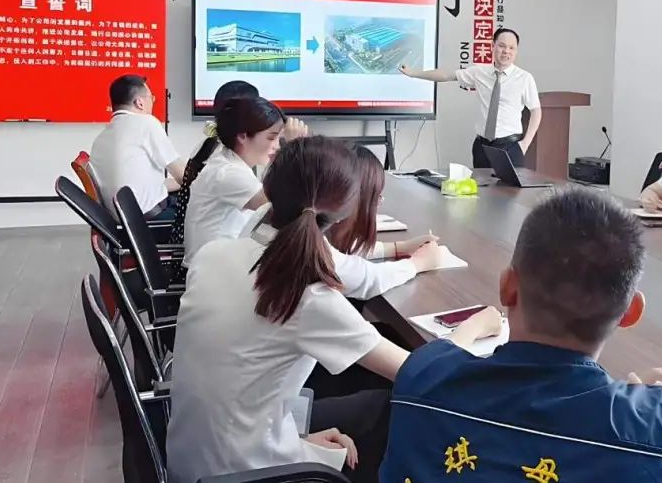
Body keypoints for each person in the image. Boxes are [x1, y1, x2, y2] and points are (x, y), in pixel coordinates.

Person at [379, 188, 662, 482]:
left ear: (507, 287)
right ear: (630, 313)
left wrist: (471, 327)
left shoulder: (424, 373)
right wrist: (638, 409)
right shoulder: (659, 430)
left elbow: (441, 355)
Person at [167, 137, 501, 483]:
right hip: (248, 473)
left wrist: (296, 440)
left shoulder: (213, 254)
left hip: (194, 464)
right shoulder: (306, 295)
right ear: (345, 211)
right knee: (394, 405)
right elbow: (425, 375)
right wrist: (473, 326)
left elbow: (238, 382)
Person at [399, 28, 541, 168]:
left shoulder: (524, 78)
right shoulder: (479, 72)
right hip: (482, 147)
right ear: (493, 46)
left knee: (509, 184)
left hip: (510, 147)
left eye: (511, 48)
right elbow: (447, 75)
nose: (506, 51)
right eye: (502, 46)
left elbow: (536, 111)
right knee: (481, 184)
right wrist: (413, 73)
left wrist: (525, 144)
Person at [181, 97, 283, 268]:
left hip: (212, 265)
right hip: (212, 272)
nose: (277, 146)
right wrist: (296, 151)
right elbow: (281, 205)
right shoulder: (229, 173)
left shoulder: (226, 161)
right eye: (272, 138)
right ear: (243, 136)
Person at [89, 74, 186, 219]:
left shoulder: (101, 138)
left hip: (125, 220)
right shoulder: (147, 123)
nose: (153, 102)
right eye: (151, 98)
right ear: (139, 103)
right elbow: (183, 176)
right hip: (151, 221)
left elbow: (142, 185)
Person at [328, 145, 440, 265]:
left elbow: (347, 250)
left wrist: (402, 247)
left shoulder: (323, 233)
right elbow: (362, 272)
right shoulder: (322, 251)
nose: (379, 203)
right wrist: (420, 263)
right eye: (376, 196)